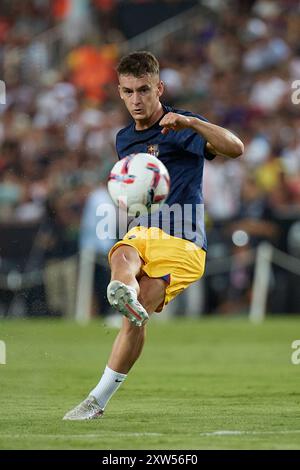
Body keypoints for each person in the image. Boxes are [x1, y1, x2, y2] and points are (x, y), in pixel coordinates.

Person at [63, 51, 244, 420]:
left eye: (143, 90)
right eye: (128, 92)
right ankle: (124, 290)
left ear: (158, 87)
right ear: (119, 92)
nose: (136, 100)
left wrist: (192, 124)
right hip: (145, 230)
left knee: (136, 315)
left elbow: (235, 148)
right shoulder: (124, 139)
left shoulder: (181, 126)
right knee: (121, 252)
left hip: (184, 240)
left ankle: (97, 399)